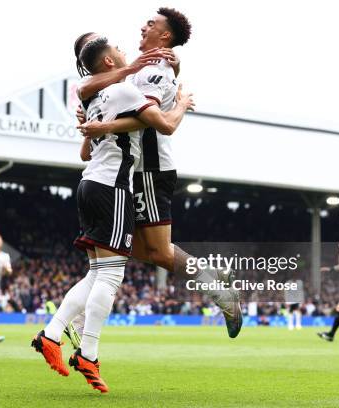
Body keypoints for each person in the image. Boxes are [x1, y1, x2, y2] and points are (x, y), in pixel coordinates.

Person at [31, 36, 194, 393]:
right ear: (109, 62)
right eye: (118, 50)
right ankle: (88, 353)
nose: (125, 51)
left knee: (97, 273)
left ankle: (52, 334)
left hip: (88, 184)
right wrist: (181, 102)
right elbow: (163, 124)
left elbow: (85, 152)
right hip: (112, 188)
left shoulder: (94, 98)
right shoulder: (123, 92)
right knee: (110, 278)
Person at [74, 8, 242, 340]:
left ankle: (216, 285)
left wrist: (104, 124)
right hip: (129, 171)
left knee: (156, 251)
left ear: (164, 37)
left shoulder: (153, 71)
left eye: (151, 24)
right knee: (116, 246)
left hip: (148, 170)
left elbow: (153, 119)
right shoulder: (137, 70)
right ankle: (212, 278)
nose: (142, 26)